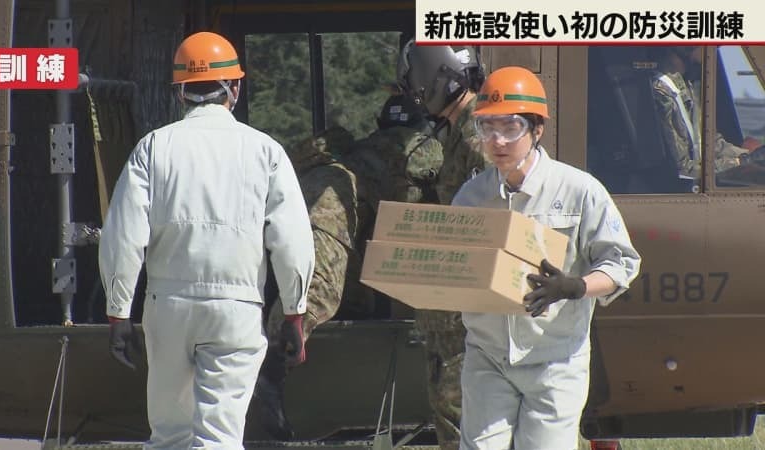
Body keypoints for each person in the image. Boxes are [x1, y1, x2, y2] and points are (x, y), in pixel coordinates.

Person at [98, 31, 314, 450]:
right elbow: (291, 241)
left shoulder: (153, 148)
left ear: (180, 91)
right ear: (235, 87)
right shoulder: (265, 151)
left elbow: (123, 236)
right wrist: (294, 312)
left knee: (169, 435)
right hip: (237, 310)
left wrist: (117, 311)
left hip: (168, 306)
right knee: (220, 436)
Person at [452, 66, 641, 450]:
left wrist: (575, 287)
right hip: (488, 356)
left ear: (537, 130)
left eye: (511, 127)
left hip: (555, 359)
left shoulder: (579, 190)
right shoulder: (471, 196)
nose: (497, 141)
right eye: (486, 128)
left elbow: (622, 263)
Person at [250, 125, 373, 441]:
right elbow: (319, 275)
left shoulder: (323, 163)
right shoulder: (342, 178)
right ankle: (270, 371)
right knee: (317, 285)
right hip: (327, 213)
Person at [394, 39, 488, 450]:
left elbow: (486, 225)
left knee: (462, 418)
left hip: (464, 314)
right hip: (451, 309)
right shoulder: (459, 131)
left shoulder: (476, 137)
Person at [651, 46, 754, 181]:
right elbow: (683, 169)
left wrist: (751, 156)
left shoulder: (686, 85)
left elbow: (710, 142)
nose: (712, 51)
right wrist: (738, 163)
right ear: (686, 47)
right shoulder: (661, 94)